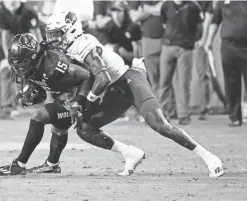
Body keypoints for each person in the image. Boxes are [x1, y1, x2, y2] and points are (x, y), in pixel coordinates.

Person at [44, 10, 224, 177]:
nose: (53, 39)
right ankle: (130, 154)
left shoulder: (83, 45)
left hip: (128, 80)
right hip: (116, 89)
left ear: (71, 30)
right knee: (84, 128)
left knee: (160, 126)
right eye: (51, 34)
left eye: (57, 34)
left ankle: (209, 157)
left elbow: (103, 78)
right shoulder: (68, 48)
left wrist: (86, 101)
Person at [0, 33, 144, 176]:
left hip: (82, 96)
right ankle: (52, 164)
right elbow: (42, 88)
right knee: (59, 126)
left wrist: (79, 103)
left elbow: (87, 76)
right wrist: (33, 94)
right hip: (66, 94)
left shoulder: (54, 64)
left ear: (33, 57)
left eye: (22, 63)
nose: (19, 68)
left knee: (39, 116)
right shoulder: (34, 65)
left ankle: (19, 164)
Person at [0, 0, 42, 120]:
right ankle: (7, 107)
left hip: (29, 47)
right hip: (13, 48)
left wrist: (38, 54)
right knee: (4, 69)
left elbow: (36, 33)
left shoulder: (29, 12)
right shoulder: (2, 12)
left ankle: (39, 106)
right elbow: (5, 35)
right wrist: (7, 58)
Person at [159, 0, 204, 125]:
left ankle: (183, 115)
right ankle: (162, 114)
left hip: (185, 49)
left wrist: (193, 41)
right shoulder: (166, 5)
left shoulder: (193, 6)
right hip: (167, 47)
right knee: (164, 82)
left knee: (184, 83)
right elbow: (162, 23)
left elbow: (199, 26)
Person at [205, 1, 247, 127]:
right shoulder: (222, 1)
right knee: (231, 82)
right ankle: (235, 117)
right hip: (228, 45)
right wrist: (209, 40)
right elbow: (215, 21)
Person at [193, 1, 214, 120]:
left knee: (203, 74)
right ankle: (174, 109)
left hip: (199, 41)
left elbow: (208, 19)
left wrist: (203, 39)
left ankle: (205, 108)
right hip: (183, 39)